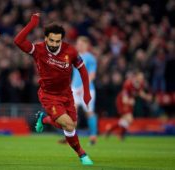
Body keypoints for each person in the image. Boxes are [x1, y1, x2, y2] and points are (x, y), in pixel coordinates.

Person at [14, 13, 93, 165]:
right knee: (69, 125)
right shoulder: (38, 50)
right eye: (51, 40)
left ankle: (44, 119)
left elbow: (82, 70)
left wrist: (87, 93)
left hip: (66, 94)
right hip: (49, 96)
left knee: (71, 125)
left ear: (61, 40)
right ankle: (82, 155)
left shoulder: (70, 51)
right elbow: (18, 41)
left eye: (58, 41)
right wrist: (32, 23)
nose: (54, 44)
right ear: (45, 38)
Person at [106, 71, 152, 140]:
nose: (141, 79)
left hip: (129, 101)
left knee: (126, 120)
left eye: (142, 78)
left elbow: (140, 92)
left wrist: (146, 97)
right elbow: (124, 98)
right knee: (129, 118)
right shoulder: (128, 83)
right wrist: (130, 101)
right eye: (140, 78)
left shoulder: (141, 84)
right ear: (136, 77)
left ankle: (111, 130)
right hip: (121, 101)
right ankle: (120, 134)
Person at [72, 36, 97, 144]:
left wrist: (83, 88)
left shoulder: (90, 58)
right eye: (77, 44)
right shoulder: (74, 57)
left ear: (86, 45)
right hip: (74, 89)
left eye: (81, 44)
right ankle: (71, 136)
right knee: (72, 111)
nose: (78, 46)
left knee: (89, 113)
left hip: (87, 90)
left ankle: (93, 137)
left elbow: (92, 75)